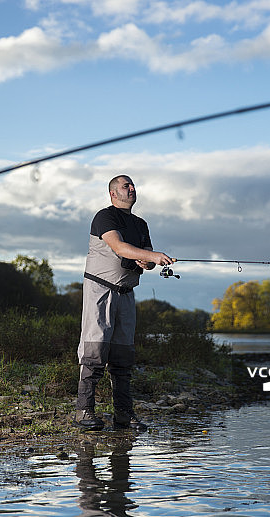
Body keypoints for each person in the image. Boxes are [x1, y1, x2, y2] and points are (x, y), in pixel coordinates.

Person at [74, 175, 173, 431]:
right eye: (125, 186)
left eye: (133, 185)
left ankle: (123, 416)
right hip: (100, 290)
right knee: (94, 351)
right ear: (113, 194)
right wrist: (153, 256)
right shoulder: (105, 217)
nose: (131, 188)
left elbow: (147, 261)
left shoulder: (140, 224)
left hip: (127, 293)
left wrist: (148, 261)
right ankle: (84, 412)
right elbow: (119, 247)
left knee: (123, 356)